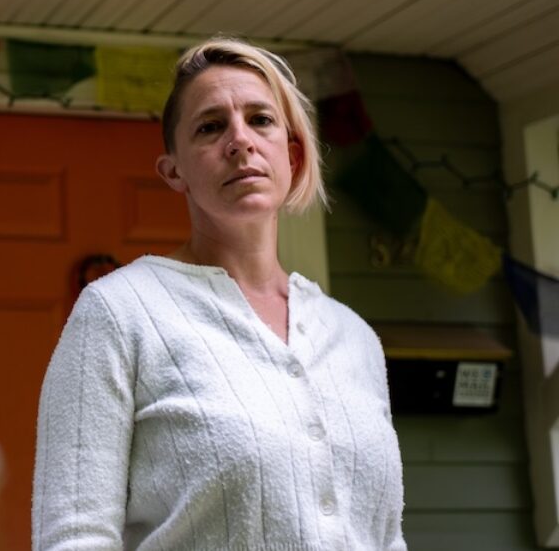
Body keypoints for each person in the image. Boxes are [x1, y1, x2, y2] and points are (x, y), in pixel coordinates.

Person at [31, 38, 406, 550]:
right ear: (174, 171)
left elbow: (386, 537)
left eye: (261, 120)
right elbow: (73, 537)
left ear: (292, 155)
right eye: (210, 126)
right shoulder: (119, 313)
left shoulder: (354, 337)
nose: (240, 140)